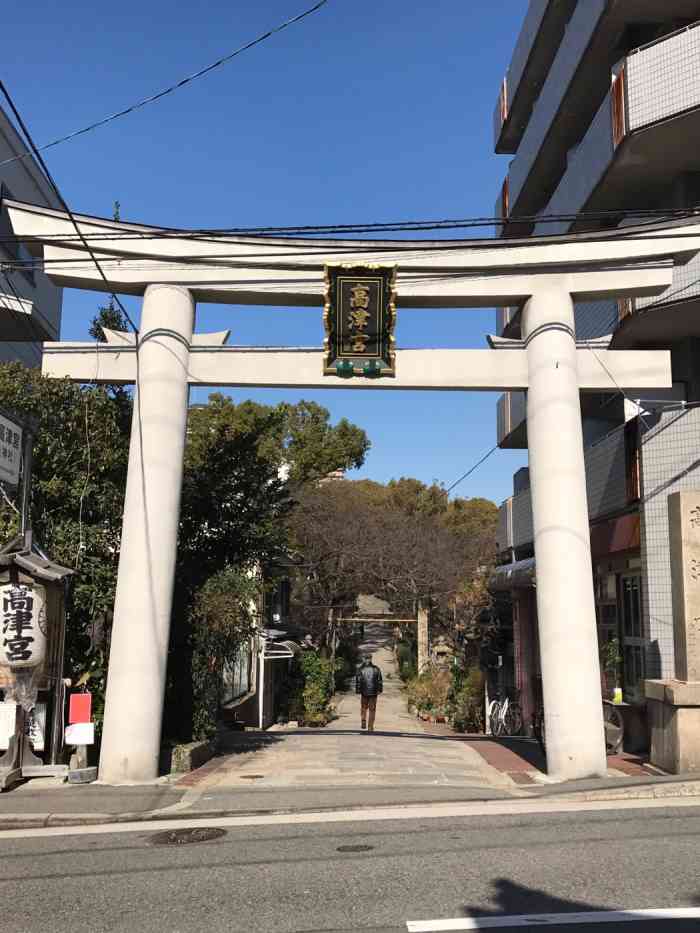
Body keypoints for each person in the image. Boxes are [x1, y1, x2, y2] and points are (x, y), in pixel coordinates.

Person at [355, 653, 383, 731]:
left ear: (364, 659)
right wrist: (380, 690)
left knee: (363, 707)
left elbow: (358, 681)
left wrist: (358, 690)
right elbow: (379, 681)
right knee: (372, 709)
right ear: (371, 659)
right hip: (373, 692)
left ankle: (363, 720)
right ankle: (370, 726)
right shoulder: (376, 669)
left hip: (364, 692)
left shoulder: (360, 669)